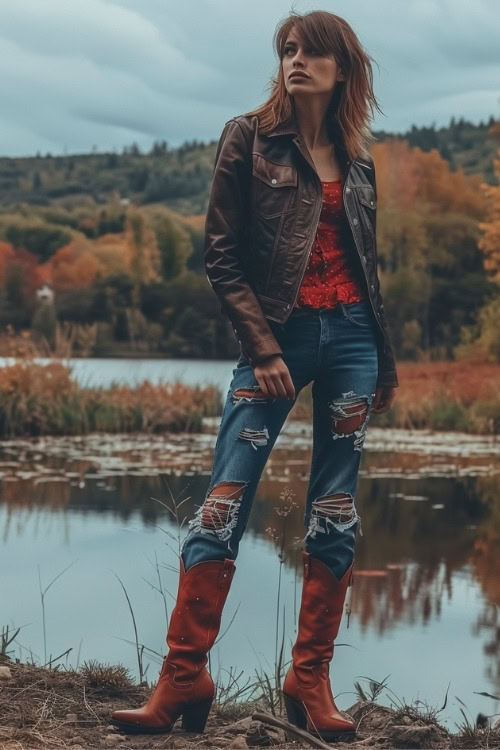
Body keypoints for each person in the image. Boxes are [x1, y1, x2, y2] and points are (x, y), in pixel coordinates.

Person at [111, 9, 399, 743]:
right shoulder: (248, 139)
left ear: (344, 67)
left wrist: (380, 360)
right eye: (288, 50)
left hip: (355, 344)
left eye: (312, 51)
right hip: (278, 338)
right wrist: (264, 348)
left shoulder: (358, 161)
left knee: (335, 510)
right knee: (221, 503)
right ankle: (183, 674)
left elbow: (369, 272)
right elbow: (221, 255)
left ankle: (310, 677)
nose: (296, 60)